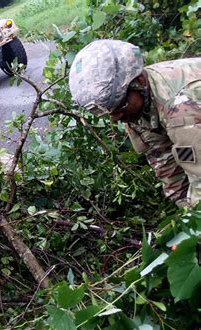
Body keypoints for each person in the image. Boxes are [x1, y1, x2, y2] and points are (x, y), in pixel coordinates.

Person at [68, 39, 201, 207]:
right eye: (110, 112)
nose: (116, 118)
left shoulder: (180, 110)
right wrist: (185, 209)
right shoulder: (136, 105)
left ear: (138, 82)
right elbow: (166, 166)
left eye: (120, 107)